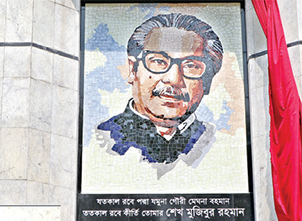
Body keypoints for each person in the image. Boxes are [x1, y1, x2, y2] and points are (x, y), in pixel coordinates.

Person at [95, 13, 223, 168]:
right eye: (158, 61)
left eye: (191, 65)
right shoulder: (100, 138)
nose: (173, 79)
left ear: (208, 81)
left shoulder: (219, 144)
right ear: (133, 69)